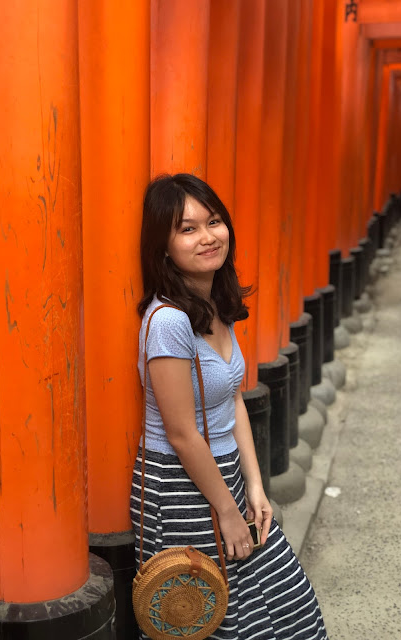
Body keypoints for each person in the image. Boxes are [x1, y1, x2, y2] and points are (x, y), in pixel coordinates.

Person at [131, 173, 328, 640]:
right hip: (181, 486)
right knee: (207, 617)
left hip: (226, 476)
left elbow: (233, 398)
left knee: (287, 605)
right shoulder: (168, 323)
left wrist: (255, 488)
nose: (207, 237)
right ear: (163, 246)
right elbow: (180, 432)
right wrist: (226, 510)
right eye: (187, 228)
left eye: (214, 221)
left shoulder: (214, 303)